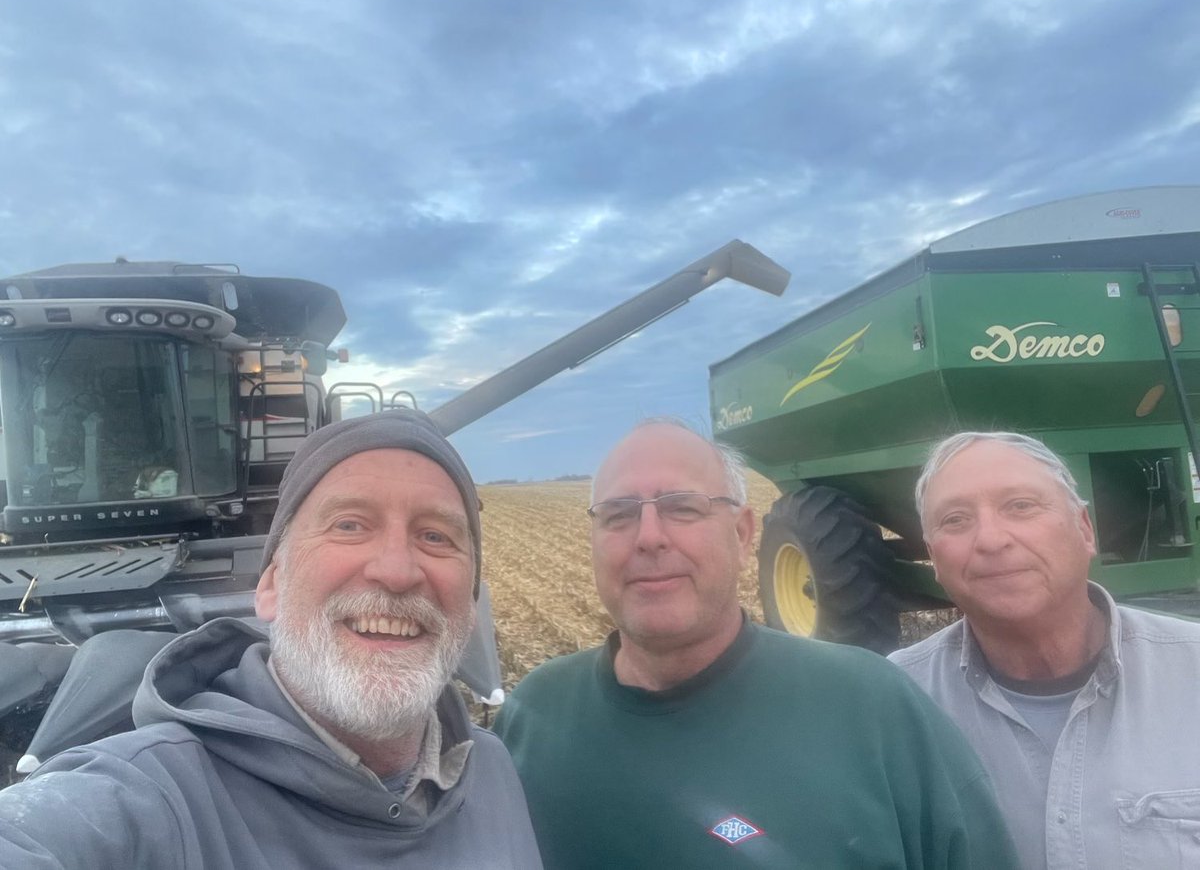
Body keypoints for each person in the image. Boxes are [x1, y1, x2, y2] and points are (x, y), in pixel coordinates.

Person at [0, 409, 542, 869]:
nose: (397, 571)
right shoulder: (150, 798)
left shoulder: (490, 768)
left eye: (436, 536)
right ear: (270, 586)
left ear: (471, 607)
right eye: (349, 525)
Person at [493, 419, 1018, 869]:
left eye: (683, 508)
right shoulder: (534, 717)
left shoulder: (873, 708)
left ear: (743, 534)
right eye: (619, 514)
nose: (648, 536)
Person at [890, 431, 1200, 870]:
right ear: (933, 558)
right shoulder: (892, 704)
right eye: (956, 519)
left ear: (1084, 530)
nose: (991, 539)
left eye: (1021, 506)